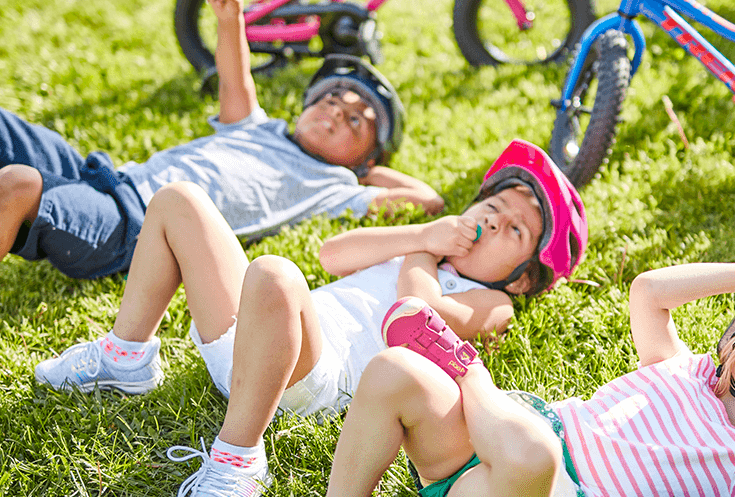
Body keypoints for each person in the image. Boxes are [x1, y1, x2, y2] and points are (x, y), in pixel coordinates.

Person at [0, 0, 441, 380]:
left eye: (358, 120)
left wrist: (366, 175)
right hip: (107, 176)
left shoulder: (332, 187)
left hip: (130, 230)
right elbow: (238, 73)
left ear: (364, 157)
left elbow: (427, 201)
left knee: (12, 186)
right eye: (332, 98)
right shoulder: (258, 125)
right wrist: (230, 20)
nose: (339, 111)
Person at [34, 138, 588, 497]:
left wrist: (424, 250)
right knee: (179, 200)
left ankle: (238, 459)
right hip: (259, 345)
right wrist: (419, 236)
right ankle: (125, 355)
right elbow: (333, 255)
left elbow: (415, 313)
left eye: (515, 230)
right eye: (492, 207)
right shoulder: (412, 245)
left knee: (275, 273)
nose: (494, 222)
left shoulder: (493, 302)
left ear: (520, 277)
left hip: (318, 380)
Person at [326, 253, 735, 497]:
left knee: (533, 453)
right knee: (394, 370)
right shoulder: (679, 367)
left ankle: (470, 375)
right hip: (480, 466)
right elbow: (648, 292)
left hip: (529, 469)